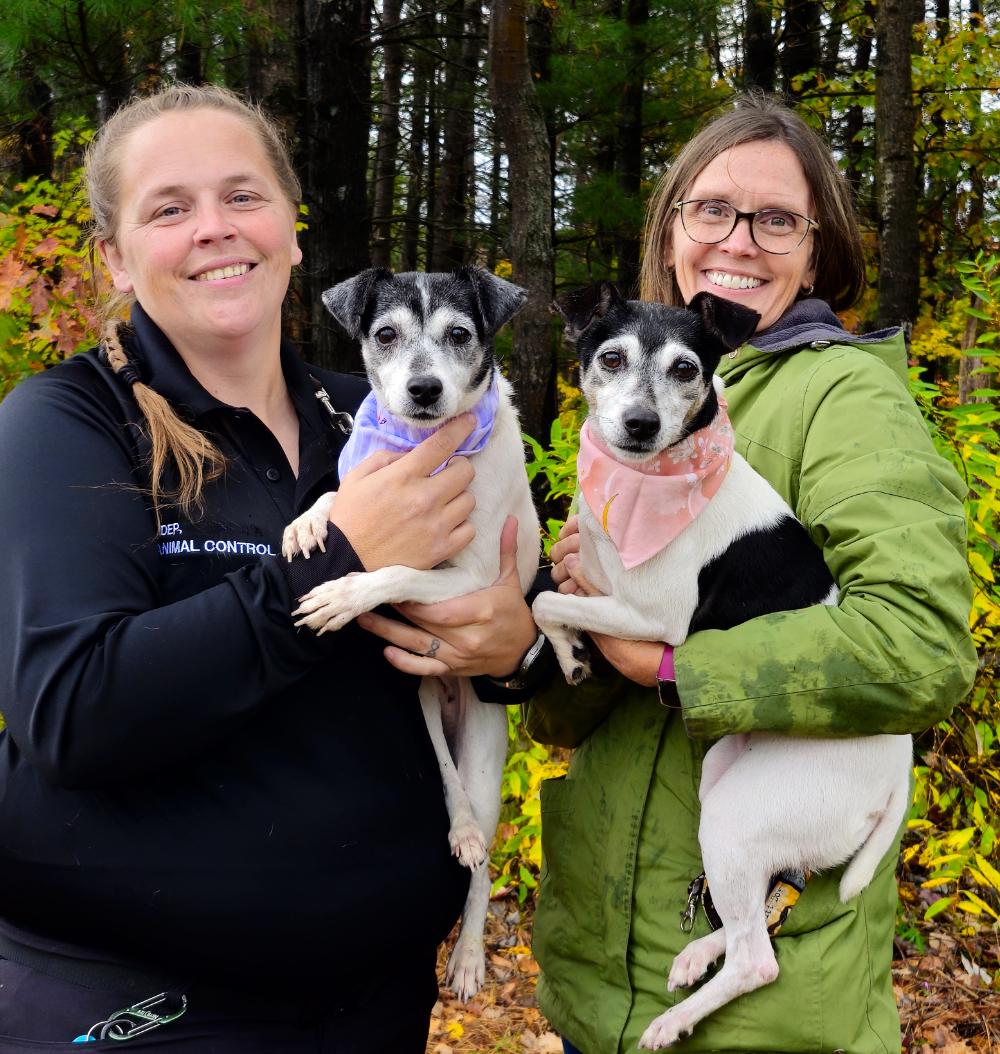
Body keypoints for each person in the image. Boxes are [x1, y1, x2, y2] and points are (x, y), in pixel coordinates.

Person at [0, 83, 536, 1052]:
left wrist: (513, 650)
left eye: (243, 196)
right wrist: (339, 557)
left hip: (372, 996)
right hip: (136, 997)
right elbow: (72, 711)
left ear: (292, 230)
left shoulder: (381, 419)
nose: (214, 228)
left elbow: (498, 610)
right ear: (116, 258)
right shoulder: (67, 422)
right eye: (169, 208)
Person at [514, 96, 977, 1054]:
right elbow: (564, 715)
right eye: (712, 209)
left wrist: (677, 669)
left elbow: (922, 651)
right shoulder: (623, 424)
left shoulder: (841, 395)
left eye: (777, 220)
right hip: (603, 975)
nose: (740, 240)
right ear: (672, 223)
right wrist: (550, 643)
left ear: (819, 247)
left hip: (773, 1014)